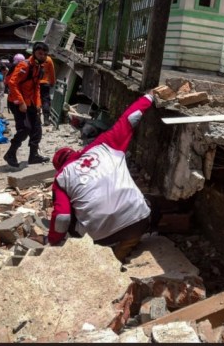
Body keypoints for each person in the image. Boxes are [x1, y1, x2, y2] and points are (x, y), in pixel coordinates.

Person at [48, 90, 156, 262]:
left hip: (101, 236)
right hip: (138, 221)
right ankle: (127, 244)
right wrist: (149, 97)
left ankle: (106, 257)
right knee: (144, 203)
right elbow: (131, 118)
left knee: (73, 218)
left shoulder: (61, 177)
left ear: (59, 167)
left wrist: (53, 242)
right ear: (74, 152)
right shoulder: (104, 144)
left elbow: (62, 218)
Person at [3, 42, 51, 168]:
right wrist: (21, 102)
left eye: (45, 54)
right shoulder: (25, 65)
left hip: (30, 102)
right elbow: (12, 83)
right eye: (40, 53)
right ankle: (10, 154)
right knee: (24, 129)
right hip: (17, 101)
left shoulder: (38, 68)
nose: (43, 56)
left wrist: (38, 103)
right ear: (34, 53)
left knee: (36, 129)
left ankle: (33, 156)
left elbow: (36, 87)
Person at [39, 54, 56, 126]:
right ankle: (46, 120)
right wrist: (52, 82)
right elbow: (52, 72)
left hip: (36, 84)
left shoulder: (33, 58)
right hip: (45, 83)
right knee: (45, 101)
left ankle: (37, 119)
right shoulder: (48, 59)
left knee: (36, 100)